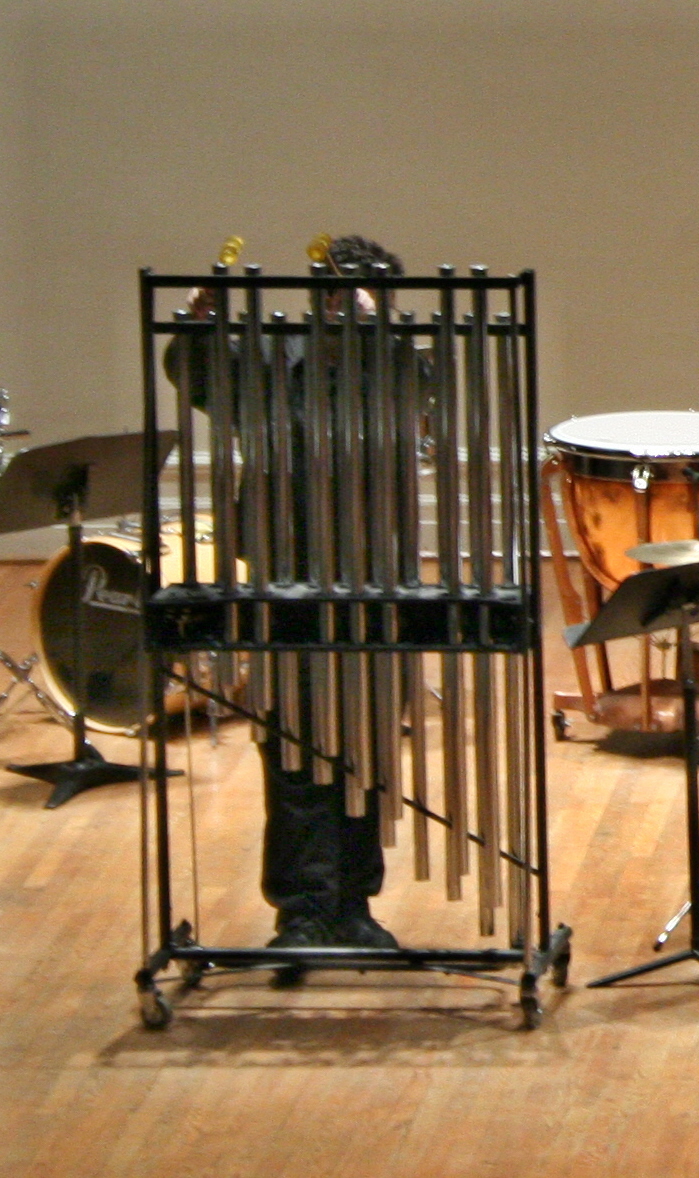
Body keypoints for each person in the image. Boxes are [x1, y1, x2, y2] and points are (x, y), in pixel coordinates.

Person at [166, 235, 427, 948]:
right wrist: (198, 322)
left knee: (365, 747)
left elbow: (425, 390)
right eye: (332, 292)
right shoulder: (272, 361)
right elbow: (197, 376)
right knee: (291, 746)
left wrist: (378, 334)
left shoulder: (397, 360)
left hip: (373, 579)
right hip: (287, 576)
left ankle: (354, 904)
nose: (339, 303)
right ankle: (302, 908)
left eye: (355, 294)